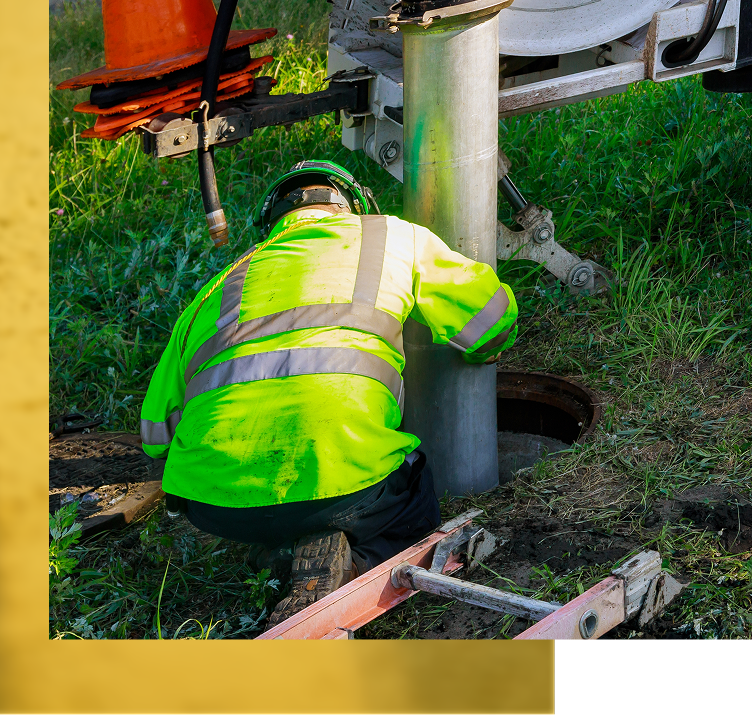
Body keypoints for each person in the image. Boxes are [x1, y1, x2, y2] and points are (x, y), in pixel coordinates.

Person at [140, 159, 518, 628]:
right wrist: (492, 344)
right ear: (352, 206)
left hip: (215, 507)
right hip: (345, 485)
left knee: (278, 506)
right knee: (414, 492)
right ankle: (354, 566)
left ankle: (279, 555)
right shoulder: (391, 237)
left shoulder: (214, 289)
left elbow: (155, 435)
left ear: (271, 225)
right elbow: (488, 320)